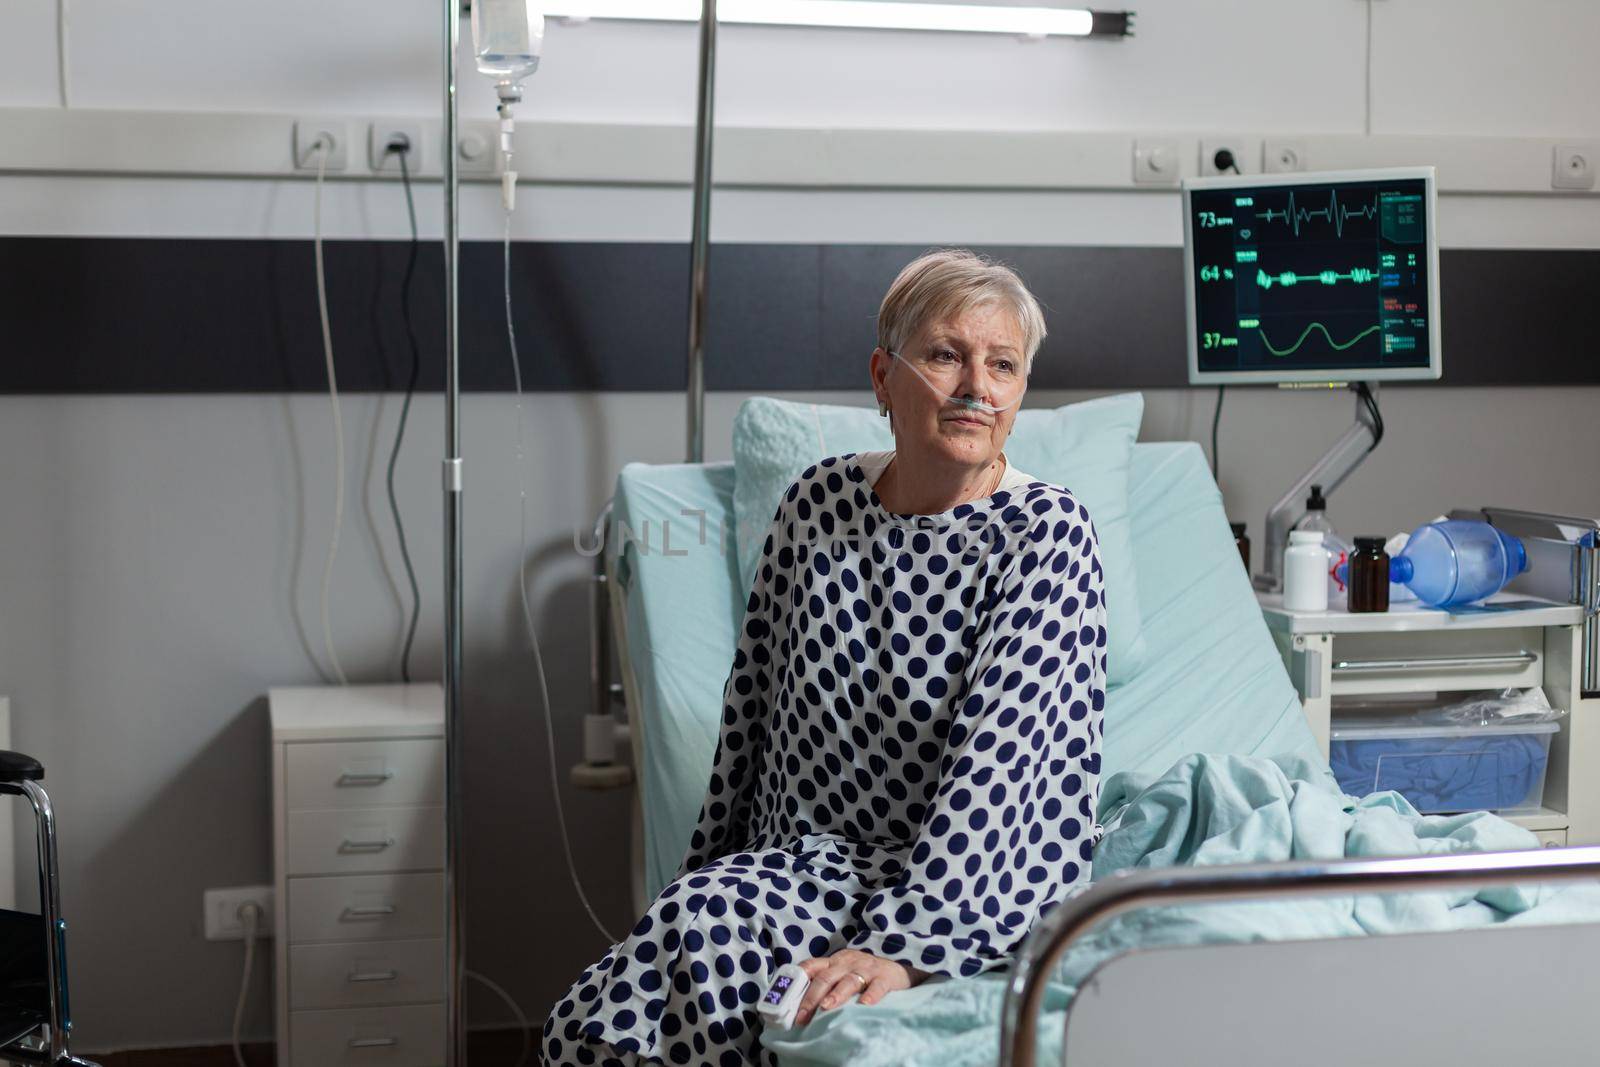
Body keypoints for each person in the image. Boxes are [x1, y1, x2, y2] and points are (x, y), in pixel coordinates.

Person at [544, 249, 1107, 1067]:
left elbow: (1002, 764)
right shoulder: (817, 503)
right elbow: (751, 712)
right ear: (884, 377)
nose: (975, 388)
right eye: (947, 355)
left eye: (1004, 365)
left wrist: (906, 947)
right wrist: (711, 871)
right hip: (802, 868)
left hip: (971, 879)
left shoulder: (1048, 536)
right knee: (663, 959)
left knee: (699, 962)